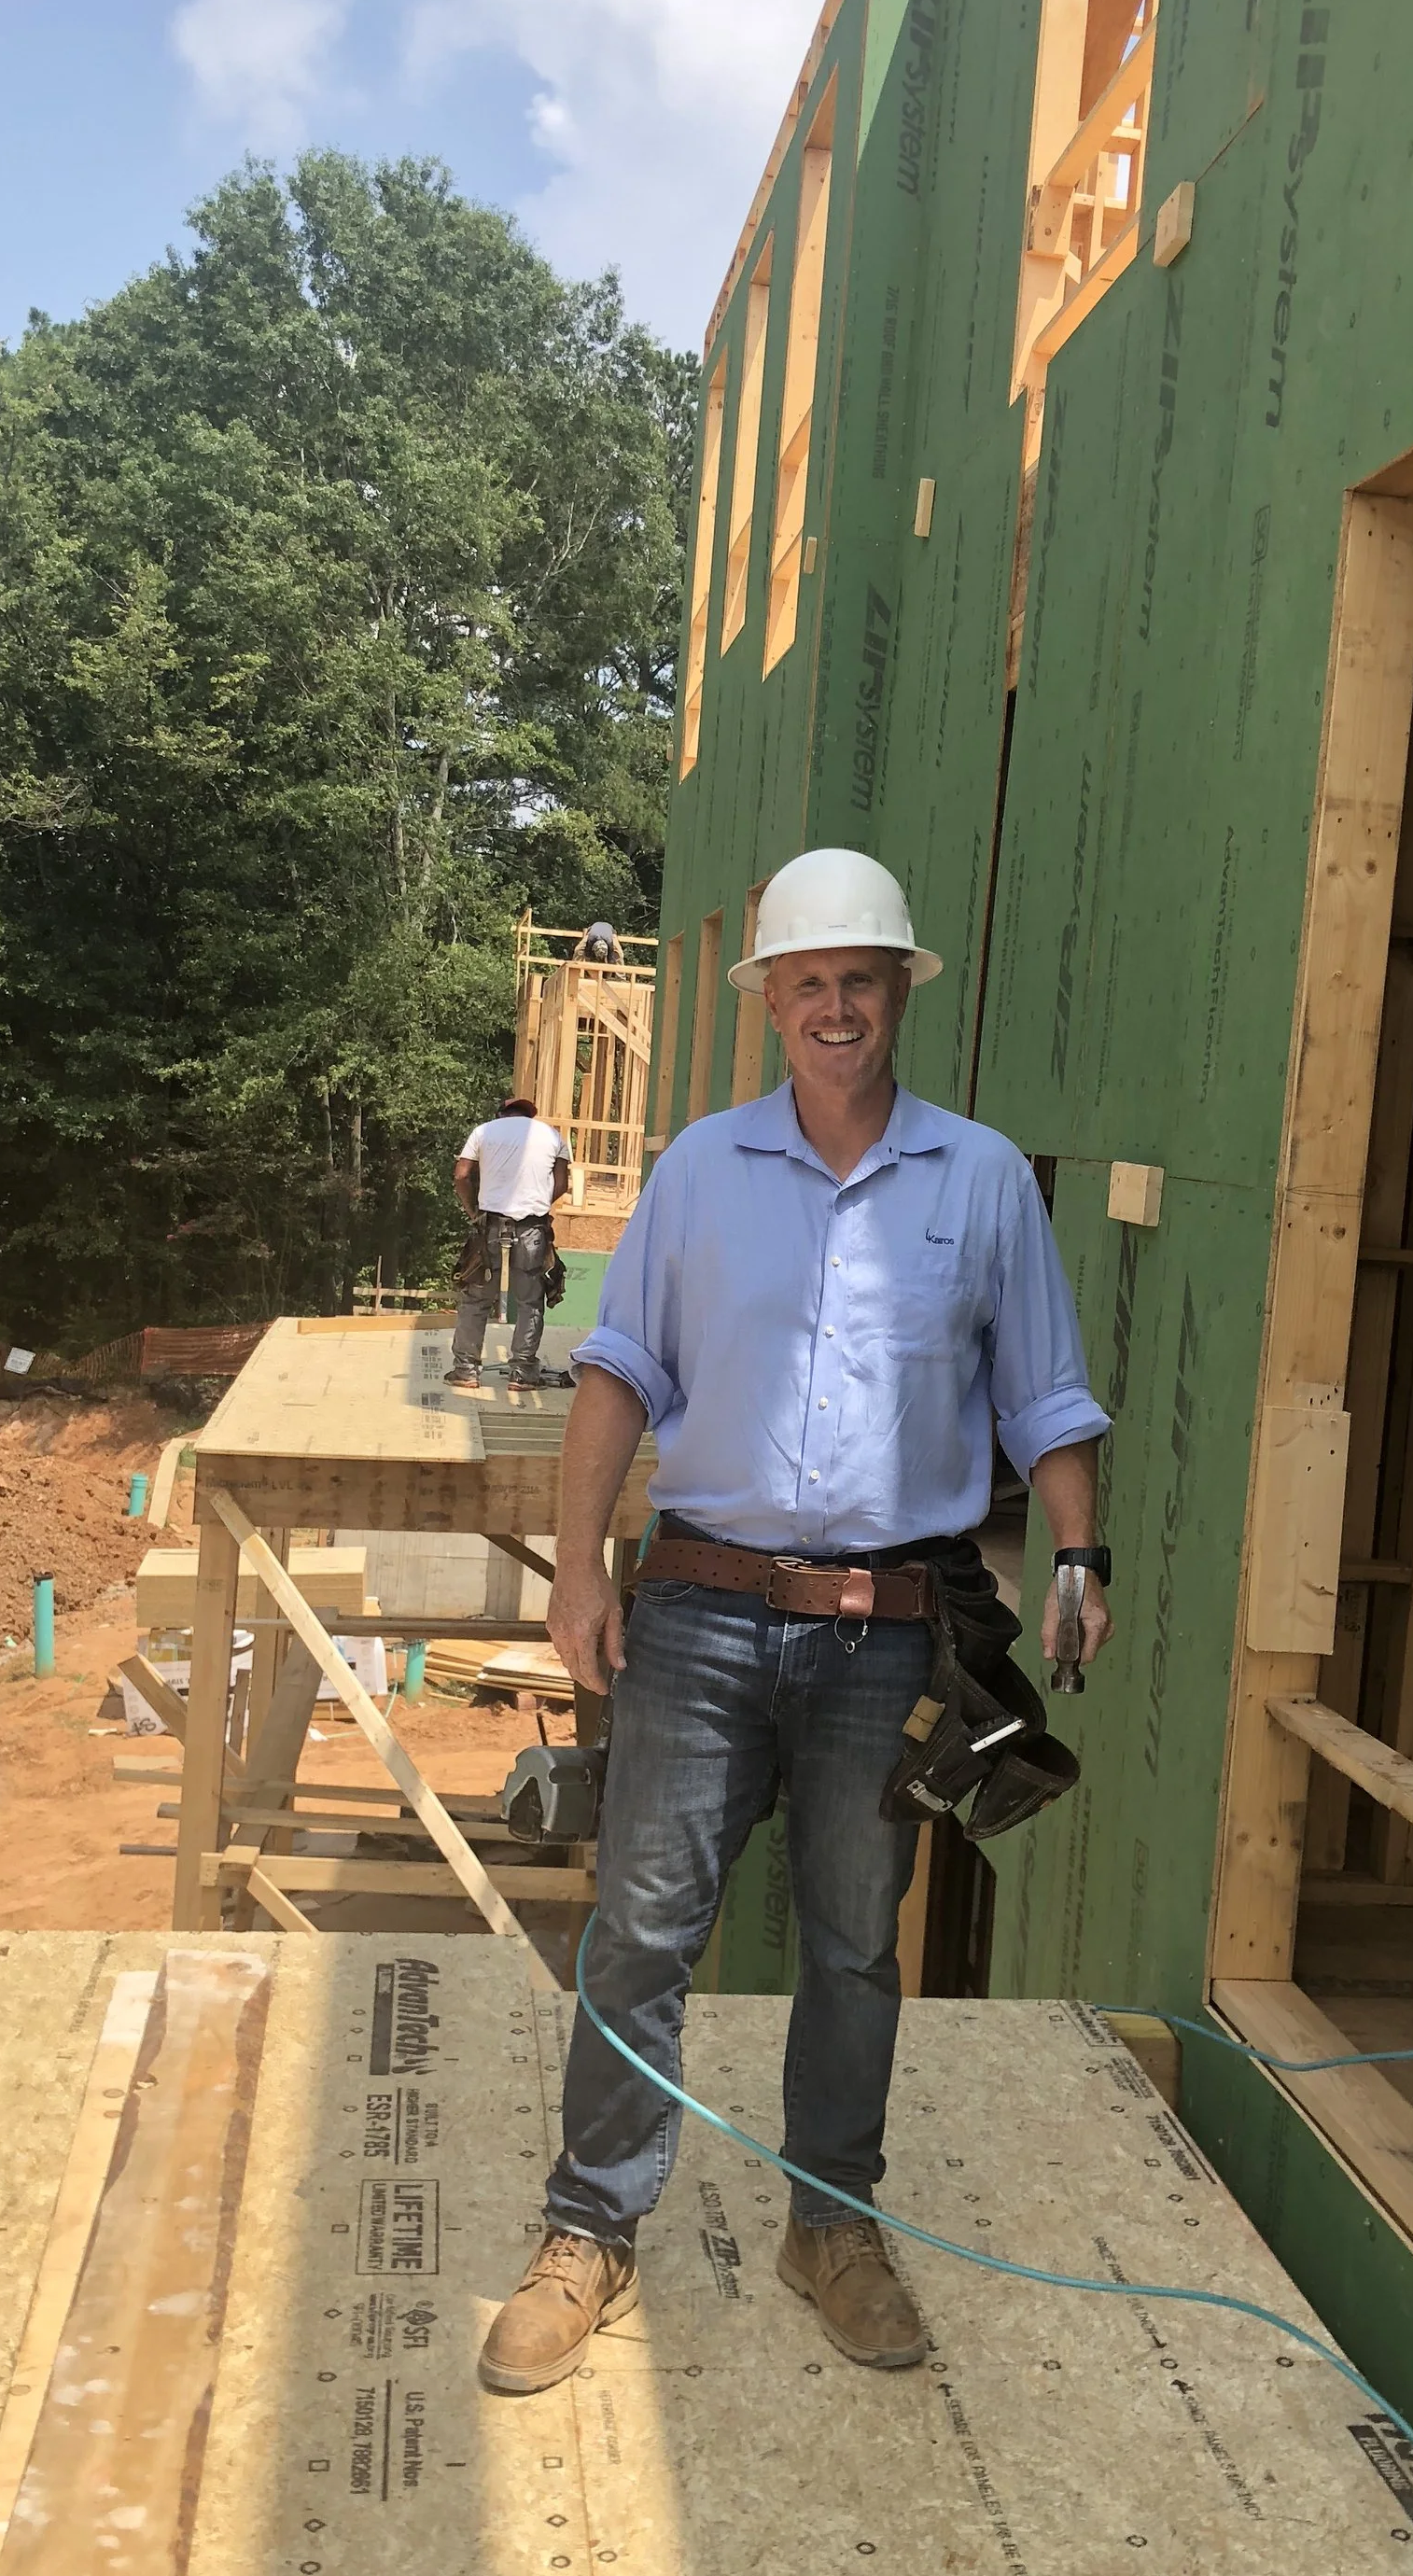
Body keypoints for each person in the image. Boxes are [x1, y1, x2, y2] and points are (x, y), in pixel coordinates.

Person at [479, 847, 1113, 2397]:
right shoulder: (700, 1168)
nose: (834, 1004)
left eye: (860, 978)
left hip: (883, 1638)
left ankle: (830, 2222)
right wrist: (574, 1571)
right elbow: (619, 1367)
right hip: (698, 1614)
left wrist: (1081, 1556)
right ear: (771, 1001)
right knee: (639, 1931)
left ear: (902, 991)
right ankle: (592, 2231)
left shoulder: (976, 1180)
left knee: (850, 1946)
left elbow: (1044, 1395)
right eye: (806, 981)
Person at [448, 1099, 573, 1393]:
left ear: (502, 1115)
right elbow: (562, 1183)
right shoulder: (552, 1136)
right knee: (530, 1302)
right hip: (532, 1228)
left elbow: (461, 1175)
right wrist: (539, 1205)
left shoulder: (484, 1131)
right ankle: (523, 1373)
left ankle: (466, 1370)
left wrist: (473, 1212)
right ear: (530, 1116)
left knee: (477, 1297)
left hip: (490, 1225)